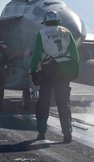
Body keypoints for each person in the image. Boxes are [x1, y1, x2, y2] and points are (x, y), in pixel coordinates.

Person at [30, 11, 79, 142]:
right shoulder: (67, 32)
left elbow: (36, 55)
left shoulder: (42, 33)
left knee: (43, 103)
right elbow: (75, 54)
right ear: (58, 21)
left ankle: (41, 132)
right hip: (64, 72)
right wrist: (74, 70)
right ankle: (67, 133)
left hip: (48, 70)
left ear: (45, 21)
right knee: (63, 103)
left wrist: (32, 70)